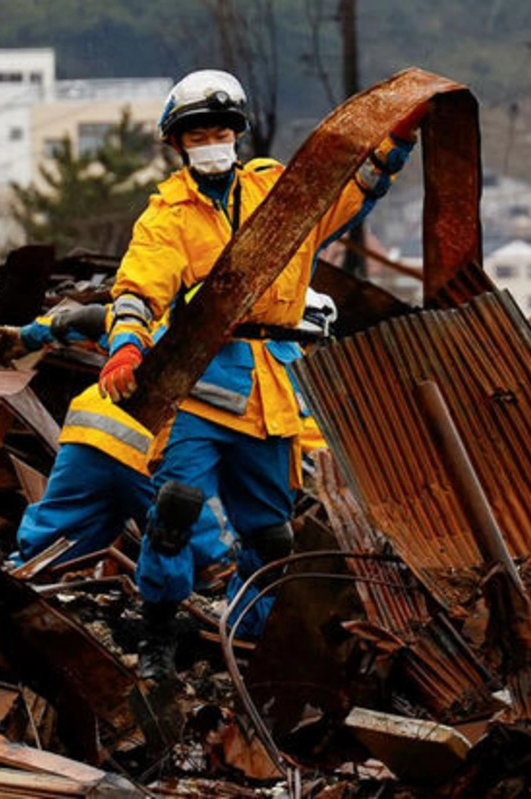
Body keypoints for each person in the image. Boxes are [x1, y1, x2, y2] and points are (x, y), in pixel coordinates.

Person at [98, 69, 423, 681]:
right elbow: (140, 288)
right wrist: (125, 346)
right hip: (198, 382)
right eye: (198, 133)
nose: (211, 140)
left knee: (271, 537)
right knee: (175, 507)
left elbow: (350, 193)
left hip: (273, 386)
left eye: (220, 130)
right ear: (178, 144)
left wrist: (394, 142)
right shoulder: (169, 217)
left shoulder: (281, 193)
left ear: (238, 134)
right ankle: (159, 636)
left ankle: (249, 637)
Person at [0, 304, 158, 567]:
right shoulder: (232, 339)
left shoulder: (151, 313)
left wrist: (26, 337)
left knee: (50, 549)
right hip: (156, 453)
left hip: (95, 428)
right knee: (198, 554)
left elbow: (88, 320)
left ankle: (11, 584)